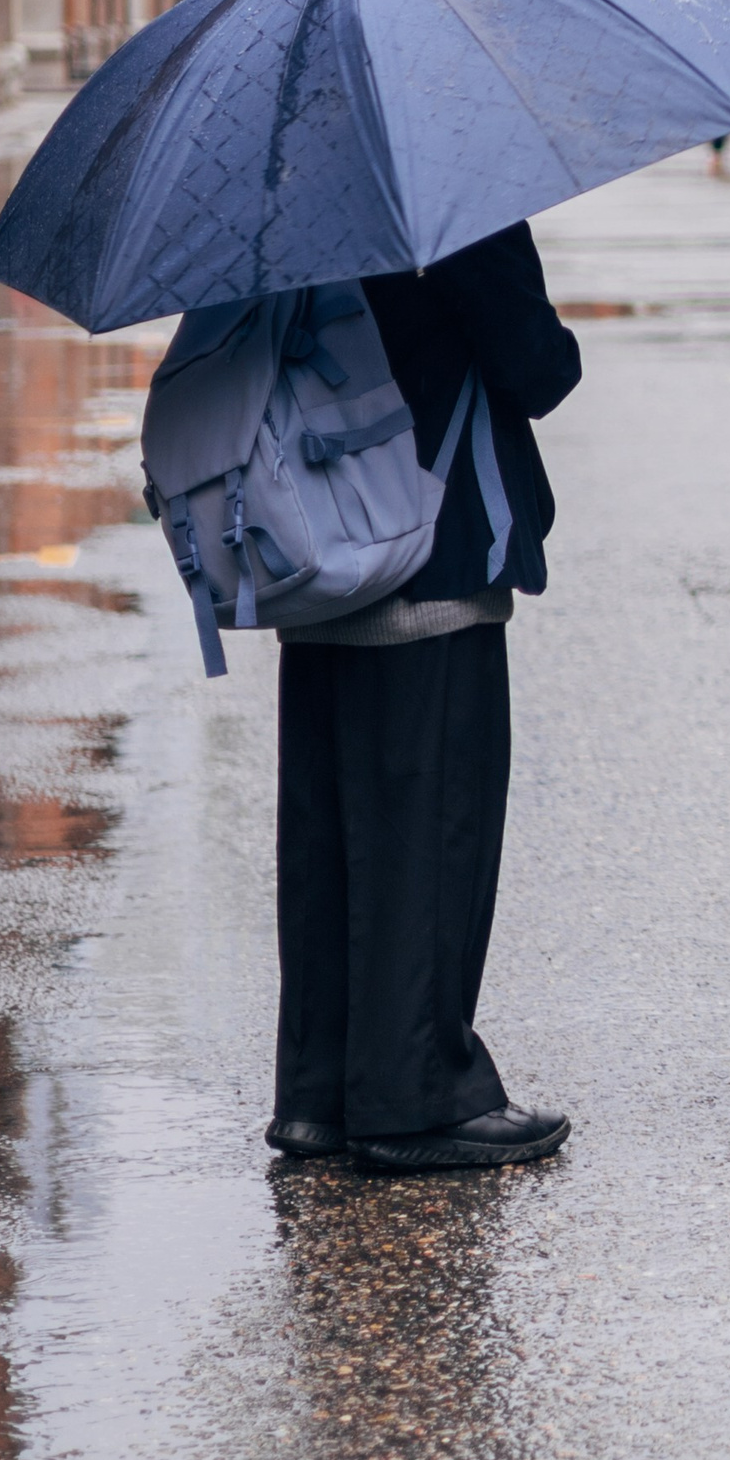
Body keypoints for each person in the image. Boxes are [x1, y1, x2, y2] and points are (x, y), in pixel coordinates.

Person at [267, 224, 583, 1173]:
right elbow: (537, 367)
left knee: (328, 840)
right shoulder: (445, 197)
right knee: (429, 835)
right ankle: (417, 1095)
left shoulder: (288, 195)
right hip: (427, 552)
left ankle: (318, 1093)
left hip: (316, 552)